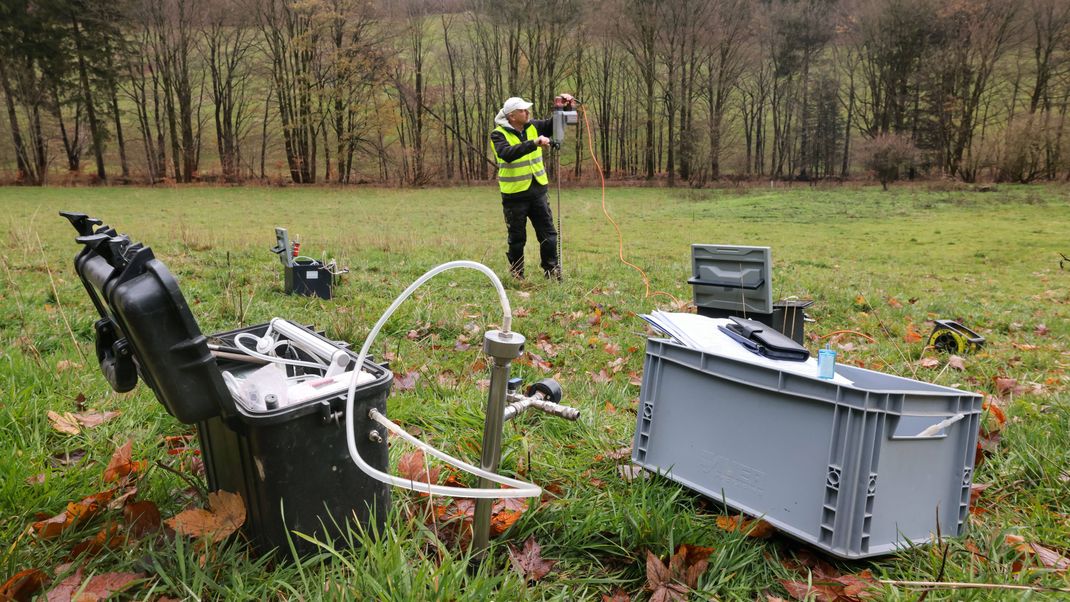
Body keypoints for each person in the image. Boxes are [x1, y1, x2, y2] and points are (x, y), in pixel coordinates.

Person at [490, 94, 574, 280]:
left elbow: (556, 125)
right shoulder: (498, 134)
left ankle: (551, 271)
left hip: (538, 191)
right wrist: (534, 143)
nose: (527, 112)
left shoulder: (533, 126)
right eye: (522, 110)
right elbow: (507, 154)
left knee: (549, 234)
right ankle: (518, 274)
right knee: (517, 239)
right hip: (514, 195)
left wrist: (565, 108)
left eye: (527, 109)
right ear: (512, 116)